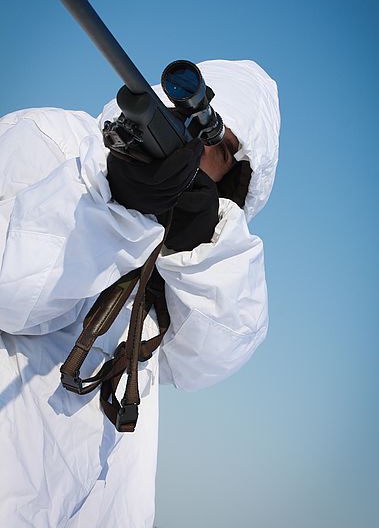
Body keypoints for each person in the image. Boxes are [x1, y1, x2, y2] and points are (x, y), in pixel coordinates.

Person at [0, 59, 280, 527]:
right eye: (194, 127)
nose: (200, 150)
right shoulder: (53, 139)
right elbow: (11, 289)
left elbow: (213, 353)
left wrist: (200, 243)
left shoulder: (183, 258)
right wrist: (110, 204)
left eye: (222, 148)